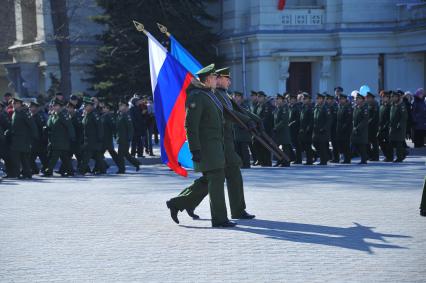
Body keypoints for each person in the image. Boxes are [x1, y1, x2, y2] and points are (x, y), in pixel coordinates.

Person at [166, 64, 236, 228]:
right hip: (206, 148)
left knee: (208, 179)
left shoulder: (209, 95)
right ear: (207, 79)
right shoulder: (197, 96)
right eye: (214, 77)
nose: (216, 80)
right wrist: (195, 149)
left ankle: (177, 203)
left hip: (216, 147)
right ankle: (219, 219)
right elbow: (191, 125)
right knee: (216, 178)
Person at [4, 98, 39, 179]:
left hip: (23, 139)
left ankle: (20, 174)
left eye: (15, 103)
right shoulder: (15, 113)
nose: (13, 104)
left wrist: (34, 138)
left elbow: (32, 126)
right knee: (20, 157)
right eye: (13, 103)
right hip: (16, 139)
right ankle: (24, 174)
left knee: (21, 158)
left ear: (20, 104)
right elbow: (14, 126)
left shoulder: (24, 113)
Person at [42, 99, 75, 177]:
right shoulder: (53, 115)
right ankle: (70, 171)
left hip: (62, 140)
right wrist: (46, 128)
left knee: (54, 157)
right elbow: (49, 125)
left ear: (60, 107)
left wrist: (72, 137)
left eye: (56, 106)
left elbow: (69, 126)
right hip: (54, 140)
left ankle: (49, 171)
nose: (54, 107)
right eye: (53, 106)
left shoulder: (63, 115)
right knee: (65, 158)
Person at [79, 97, 106, 175]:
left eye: (85, 105)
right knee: (97, 156)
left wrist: (100, 138)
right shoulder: (87, 114)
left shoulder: (94, 114)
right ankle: (103, 168)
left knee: (86, 156)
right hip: (88, 139)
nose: (84, 107)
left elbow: (100, 127)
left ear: (90, 106)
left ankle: (82, 169)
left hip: (93, 139)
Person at [116, 100, 140, 173]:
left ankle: (121, 169)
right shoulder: (120, 114)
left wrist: (129, 137)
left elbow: (130, 128)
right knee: (126, 154)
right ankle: (136, 163)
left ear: (126, 106)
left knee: (120, 155)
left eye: (121, 105)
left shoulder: (127, 115)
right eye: (119, 105)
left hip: (125, 138)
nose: (120, 107)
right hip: (120, 137)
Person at [233, 91, 251, 168]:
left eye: (238, 96)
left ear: (241, 98)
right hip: (236, 131)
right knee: (238, 148)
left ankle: (246, 163)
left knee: (244, 149)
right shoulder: (234, 106)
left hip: (243, 130)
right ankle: (241, 163)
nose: (236, 98)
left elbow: (246, 117)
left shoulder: (244, 106)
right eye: (235, 96)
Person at [255, 91, 274, 166]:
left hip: (266, 130)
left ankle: (267, 162)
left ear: (264, 97)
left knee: (266, 146)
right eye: (258, 97)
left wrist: (260, 128)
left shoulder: (266, 106)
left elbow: (265, 119)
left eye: (260, 97)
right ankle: (262, 160)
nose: (259, 98)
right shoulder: (259, 106)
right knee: (258, 144)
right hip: (259, 129)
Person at [272, 94, 292, 167]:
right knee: (276, 146)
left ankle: (286, 161)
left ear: (282, 100)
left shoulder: (284, 108)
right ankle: (279, 160)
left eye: (278, 99)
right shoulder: (278, 108)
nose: (276, 100)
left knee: (285, 147)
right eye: (276, 99)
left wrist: (276, 127)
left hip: (283, 131)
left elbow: (283, 121)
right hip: (278, 131)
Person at [29, 101, 48, 174]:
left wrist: (42, 139)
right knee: (31, 158)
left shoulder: (39, 116)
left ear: (36, 108)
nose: (31, 109)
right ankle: (35, 170)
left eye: (32, 107)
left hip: (39, 141)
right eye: (30, 107)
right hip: (33, 141)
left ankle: (47, 170)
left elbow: (42, 128)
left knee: (43, 157)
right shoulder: (31, 116)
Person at [312, 92, 331, 165]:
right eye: (317, 98)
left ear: (322, 100)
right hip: (316, 130)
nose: (317, 100)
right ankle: (324, 157)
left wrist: (324, 128)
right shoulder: (316, 107)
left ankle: (324, 160)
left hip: (323, 131)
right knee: (315, 143)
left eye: (319, 99)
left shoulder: (325, 108)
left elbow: (329, 120)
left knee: (322, 145)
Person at [389, 90, 408, 162]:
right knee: (393, 142)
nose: (392, 98)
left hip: (399, 127)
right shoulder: (393, 105)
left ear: (397, 97)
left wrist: (399, 124)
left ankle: (399, 158)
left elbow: (404, 117)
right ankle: (404, 152)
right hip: (393, 127)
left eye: (393, 97)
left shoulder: (401, 105)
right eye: (391, 97)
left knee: (398, 143)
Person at [351, 91, 369, 164]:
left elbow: (364, 120)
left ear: (362, 100)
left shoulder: (364, 109)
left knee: (361, 145)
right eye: (356, 99)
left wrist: (357, 128)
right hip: (355, 129)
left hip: (362, 130)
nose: (356, 100)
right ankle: (364, 157)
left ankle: (364, 159)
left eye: (358, 99)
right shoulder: (356, 108)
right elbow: (353, 119)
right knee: (356, 144)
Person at [101, 102, 120, 169]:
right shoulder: (103, 116)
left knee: (101, 154)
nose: (102, 109)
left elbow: (113, 127)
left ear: (108, 109)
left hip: (107, 138)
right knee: (101, 154)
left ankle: (121, 166)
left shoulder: (109, 116)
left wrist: (116, 136)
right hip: (103, 138)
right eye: (103, 108)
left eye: (104, 108)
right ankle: (103, 166)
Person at [336, 92, 353, 163]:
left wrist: (344, 126)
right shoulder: (340, 107)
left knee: (346, 144)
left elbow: (348, 119)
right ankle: (344, 157)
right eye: (339, 99)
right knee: (341, 143)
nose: (340, 100)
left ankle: (347, 159)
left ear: (345, 99)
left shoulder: (348, 107)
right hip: (340, 129)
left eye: (342, 99)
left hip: (346, 129)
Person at [299, 93, 314, 165]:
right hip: (303, 129)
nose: (303, 100)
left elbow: (311, 120)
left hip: (308, 130)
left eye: (305, 99)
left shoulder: (310, 108)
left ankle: (309, 160)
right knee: (304, 145)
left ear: (308, 99)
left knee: (308, 145)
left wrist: (308, 128)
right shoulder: (303, 107)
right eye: (303, 99)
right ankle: (311, 157)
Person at [377, 91, 393, 162]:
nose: (383, 98)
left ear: (388, 98)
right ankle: (387, 155)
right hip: (381, 127)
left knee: (388, 143)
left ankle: (389, 157)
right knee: (380, 140)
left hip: (387, 127)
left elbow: (390, 118)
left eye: (385, 97)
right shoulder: (382, 106)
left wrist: (386, 126)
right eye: (382, 97)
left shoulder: (390, 106)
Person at [288, 93, 302, 164]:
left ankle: (298, 159)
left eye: (293, 99)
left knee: (297, 145)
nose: (291, 101)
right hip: (291, 129)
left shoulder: (297, 108)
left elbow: (298, 119)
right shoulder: (290, 107)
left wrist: (291, 123)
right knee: (292, 144)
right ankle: (293, 157)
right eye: (290, 99)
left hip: (296, 128)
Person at [366, 91, 380, 161]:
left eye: (368, 98)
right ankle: (370, 155)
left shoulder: (375, 104)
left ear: (372, 98)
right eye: (367, 97)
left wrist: (369, 121)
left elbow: (375, 116)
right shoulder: (368, 104)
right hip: (368, 126)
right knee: (368, 142)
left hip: (374, 126)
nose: (367, 99)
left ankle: (375, 156)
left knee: (374, 142)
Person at [326, 92, 339, 163]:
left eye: (329, 99)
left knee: (334, 143)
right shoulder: (329, 107)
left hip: (334, 128)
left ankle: (336, 158)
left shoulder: (334, 107)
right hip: (330, 128)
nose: (327, 101)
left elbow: (333, 119)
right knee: (332, 143)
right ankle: (332, 157)